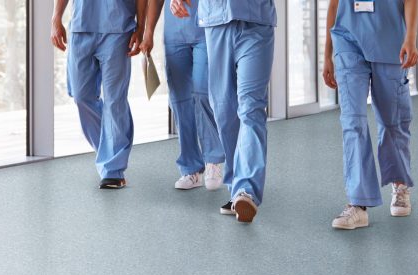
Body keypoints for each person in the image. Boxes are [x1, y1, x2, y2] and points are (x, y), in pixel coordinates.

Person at [172, 0, 276, 223]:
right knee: (224, 111)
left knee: (250, 108)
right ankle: (236, 185)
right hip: (216, 21)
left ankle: (246, 190)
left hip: (255, 21)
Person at [323, 0, 418, 229]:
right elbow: (334, 5)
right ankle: (358, 203)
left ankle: (400, 183)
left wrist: (410, 39)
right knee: (352, 122)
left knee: (392, 122)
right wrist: (327, 54)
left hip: (390, 42)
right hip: (348, 42)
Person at [51, 0, 147, 189]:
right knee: (80, 96)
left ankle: (113, 169)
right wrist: (56, 18)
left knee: (115, 101)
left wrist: (141, 27)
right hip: (80, 27)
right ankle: (107, 150)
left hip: (119, 27)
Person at [139, 0, 225, 191]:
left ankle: (213, 160)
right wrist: (149, 32)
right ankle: (191, 168)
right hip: (174, 34)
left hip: (206, 28)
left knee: (202, 92)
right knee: (179, 100)